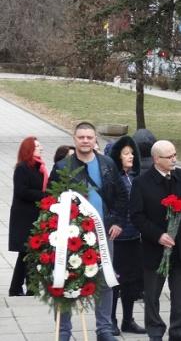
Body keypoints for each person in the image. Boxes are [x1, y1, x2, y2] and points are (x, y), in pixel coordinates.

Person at [50, 122, 126, 341]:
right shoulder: (63, 167)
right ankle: (64, 331)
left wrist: (118, 222)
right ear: (74, 139)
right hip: (72, 235)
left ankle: (104, 329)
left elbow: (121, 195)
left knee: (105, 280)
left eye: (89, 137)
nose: (85, 141)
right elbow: (50, 199)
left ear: (95, 140)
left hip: (103, 233)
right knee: (66, 281)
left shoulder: (108, 164)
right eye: (81, 137)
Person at [130, 140, 181, 341]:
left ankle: (178, 331)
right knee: (152, 294)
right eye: (169, 157)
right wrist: (158, 235)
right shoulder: (142, 182)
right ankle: (155, 331)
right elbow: (136, 216)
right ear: (156, 159)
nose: (174, 159)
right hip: (156, 248)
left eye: (175, 155)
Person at [108, 136, 148, 335]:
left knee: (132, 281)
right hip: (119, 238)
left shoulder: (133, 177)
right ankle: (111, 319)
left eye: (132, 153)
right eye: (126, 153)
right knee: (116, 280)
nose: (131, 156)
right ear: (117, 156)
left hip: (135, 237)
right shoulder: (113, 179)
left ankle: (128, 319)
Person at [8, 136, 49, 297]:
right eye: (38, 146)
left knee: (29, 253)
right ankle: (20, 288)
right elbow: (21, 191)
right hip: (24, 217)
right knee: (27, 253)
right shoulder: (22, 168)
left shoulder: (39, 167)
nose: (41, 148)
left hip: (35, 216)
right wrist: (43, 195)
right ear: (29, 149)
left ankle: (25, 287)